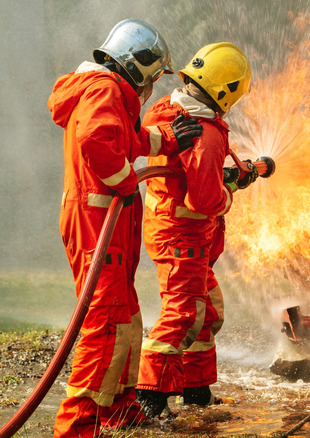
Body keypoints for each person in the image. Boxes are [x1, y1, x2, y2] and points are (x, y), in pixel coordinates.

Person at [47, 19, 202, 437]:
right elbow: (98, 140)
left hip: (103, 225)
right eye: (151, 77)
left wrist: (170, 138)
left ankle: (117, 407)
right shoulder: (105, 89)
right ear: (137, 67)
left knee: (127, 318)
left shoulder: (106, 91)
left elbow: (128, 139)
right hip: (97, 223)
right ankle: (77, 423)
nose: (151, 87)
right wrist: (121, 181)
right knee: (108, 322)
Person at [135, 42, 257, 418]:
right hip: (183, 236)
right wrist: (229, 190)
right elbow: (205, 200)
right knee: (184, 312)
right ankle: (150, 396)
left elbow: (186, 171)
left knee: (207, 311)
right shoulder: (206, 132)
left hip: (169, 228)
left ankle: (196, 389)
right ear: (226, 90)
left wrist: (223, 175)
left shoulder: (168, 110)